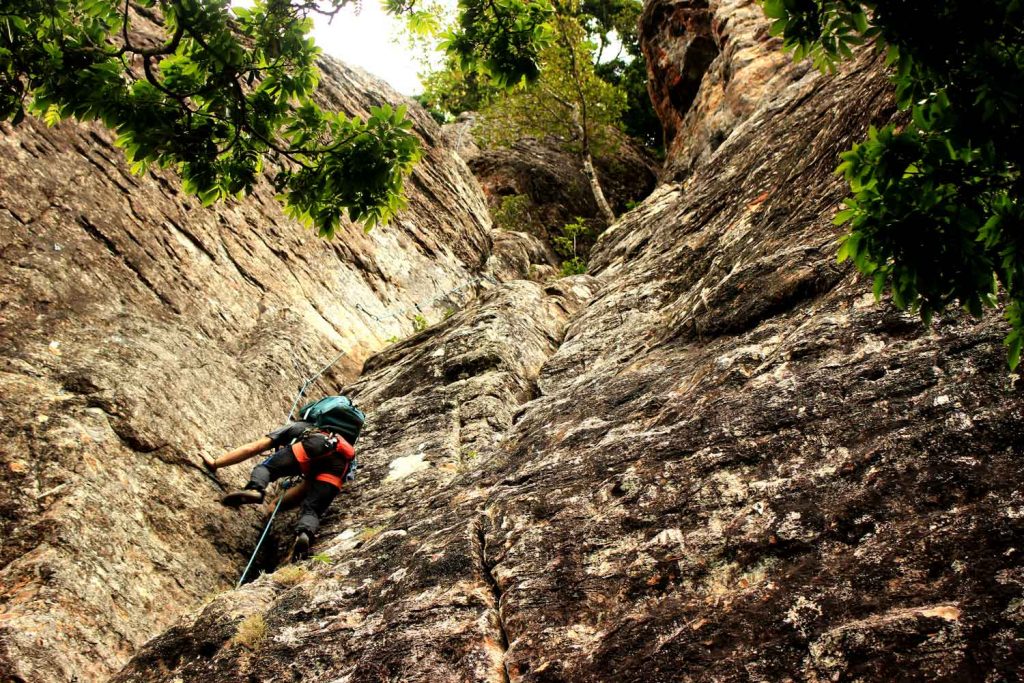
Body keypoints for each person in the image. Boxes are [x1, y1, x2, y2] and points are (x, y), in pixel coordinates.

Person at [204, 417, 356, 560]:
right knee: (313, 510)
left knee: (267, 468)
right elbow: (306, 488)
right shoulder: (345, 447)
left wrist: (216, 463)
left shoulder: (301, 426)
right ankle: (304, 533)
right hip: (342, 465)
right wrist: (277, 504)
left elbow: (254, 447)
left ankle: (256, 490)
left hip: (315, 444)